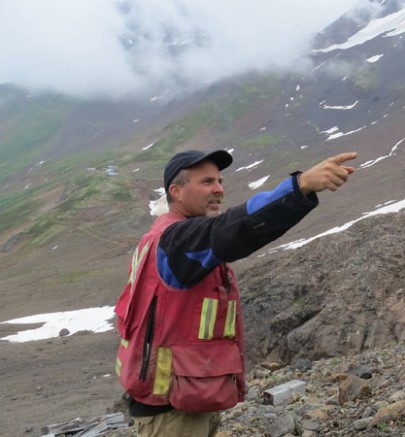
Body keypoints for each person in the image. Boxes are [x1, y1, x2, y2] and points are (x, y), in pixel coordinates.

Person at [114, 149, 357, 437]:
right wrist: (299, 187)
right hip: (171, 411)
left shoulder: (167, 236)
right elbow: (233, 230)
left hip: (187, 399)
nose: (219, 189)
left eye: (219, 181)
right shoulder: (175, 241)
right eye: (206, 182)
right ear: (176, 192)